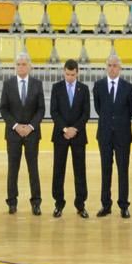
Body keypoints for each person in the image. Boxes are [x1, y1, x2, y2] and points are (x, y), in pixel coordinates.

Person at [0, 53, 45, 215]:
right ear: (15, 66)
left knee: (33, 168)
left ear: (30, 66)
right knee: (13, 169)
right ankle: (12, 202)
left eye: (24, 64)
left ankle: (36, 202)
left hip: (32, 134)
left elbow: (41, 109)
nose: (21, 67)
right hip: (13, 134)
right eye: (18, 64)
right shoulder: (8, 84)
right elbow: (3, 109)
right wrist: (16, 126)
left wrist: (31, 126)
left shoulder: (37, 84)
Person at [91, 52, 132, 218]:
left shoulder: (128, 87)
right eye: (109, 65)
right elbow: (98, 108)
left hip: (123, 135)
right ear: (106, 67)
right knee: (105, 170)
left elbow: (131, 109)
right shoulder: (98, 86)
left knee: (123, 170)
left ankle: (124, 205)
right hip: (104, 135)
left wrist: (118, 122)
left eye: (115, 65)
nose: (112, 68)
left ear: (120, 68)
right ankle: (106, 204)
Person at [49, 57, 90, 219]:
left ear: (77, 73)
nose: (70, 78)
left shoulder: (84, 89)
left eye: (73, 75)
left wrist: (75, 129)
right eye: (67, 74)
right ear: (63, 72)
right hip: (61, 135)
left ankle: (80, 204)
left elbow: (86, 113)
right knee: (58, 170)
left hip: (78, 136)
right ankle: (58, 204)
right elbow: (54, 111)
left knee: (80, 171)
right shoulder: (56, 88)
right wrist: (65, 128)